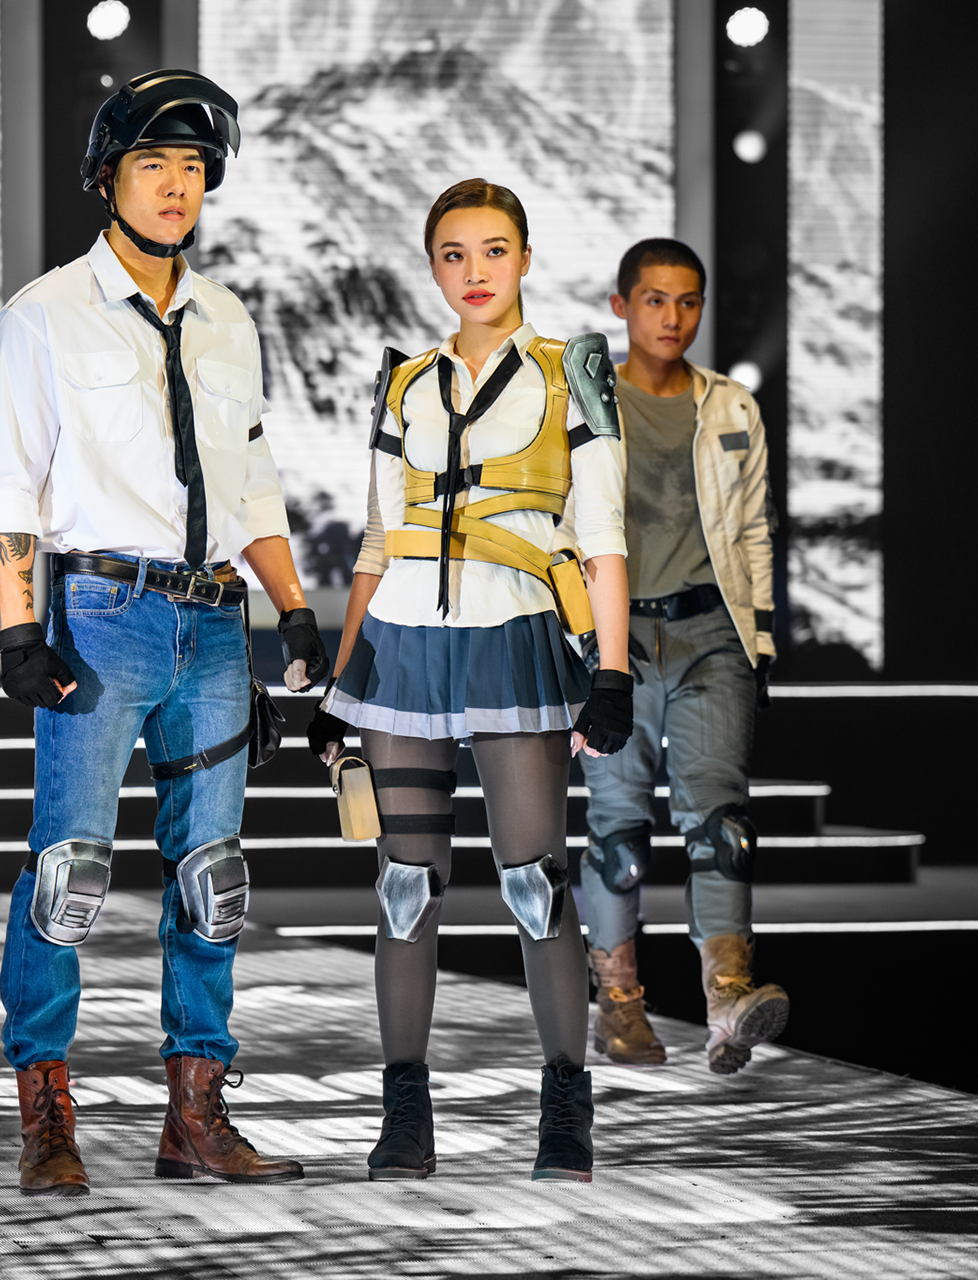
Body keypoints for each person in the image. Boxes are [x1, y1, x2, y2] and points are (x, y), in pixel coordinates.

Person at [0, 69, 329, 1198]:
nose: (176, 186)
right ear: (106, 177)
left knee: (213, 877)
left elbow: (253, 481)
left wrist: (296, 608)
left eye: (192, 167)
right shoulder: (43, 313)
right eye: (152, 164)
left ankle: (196, 1115)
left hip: (216, 622)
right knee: (68, 871)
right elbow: (10, 484)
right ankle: (45, 1113)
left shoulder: (228, 320)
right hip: (100, 616)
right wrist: (20, 632)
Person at [307, 178, 634, 1183]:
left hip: (514, 638)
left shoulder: (570, 371)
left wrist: (612, 670)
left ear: (525, 257)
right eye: (454, 253)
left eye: (494, 250)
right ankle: (405, 1113)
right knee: (405, 887)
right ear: (433, 266)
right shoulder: (404, 382)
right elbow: (378, 542)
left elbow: (604, 536)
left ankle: (566, 1110)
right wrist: (340, 685)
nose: (475, 271)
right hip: (402, 649)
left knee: (536, 883)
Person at [572, 239, 789, 1074]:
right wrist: (580, 645)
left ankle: (728, 1000)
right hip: (617, 641)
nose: (673, 317)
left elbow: (753, 530)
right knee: (619, 832)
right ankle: (619, 1003)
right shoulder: (586, 405)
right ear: (622, 305)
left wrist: (758, 638)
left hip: (712, 634)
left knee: (721, 824)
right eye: (655, 300)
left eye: (688, 301)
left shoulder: (730, 407)